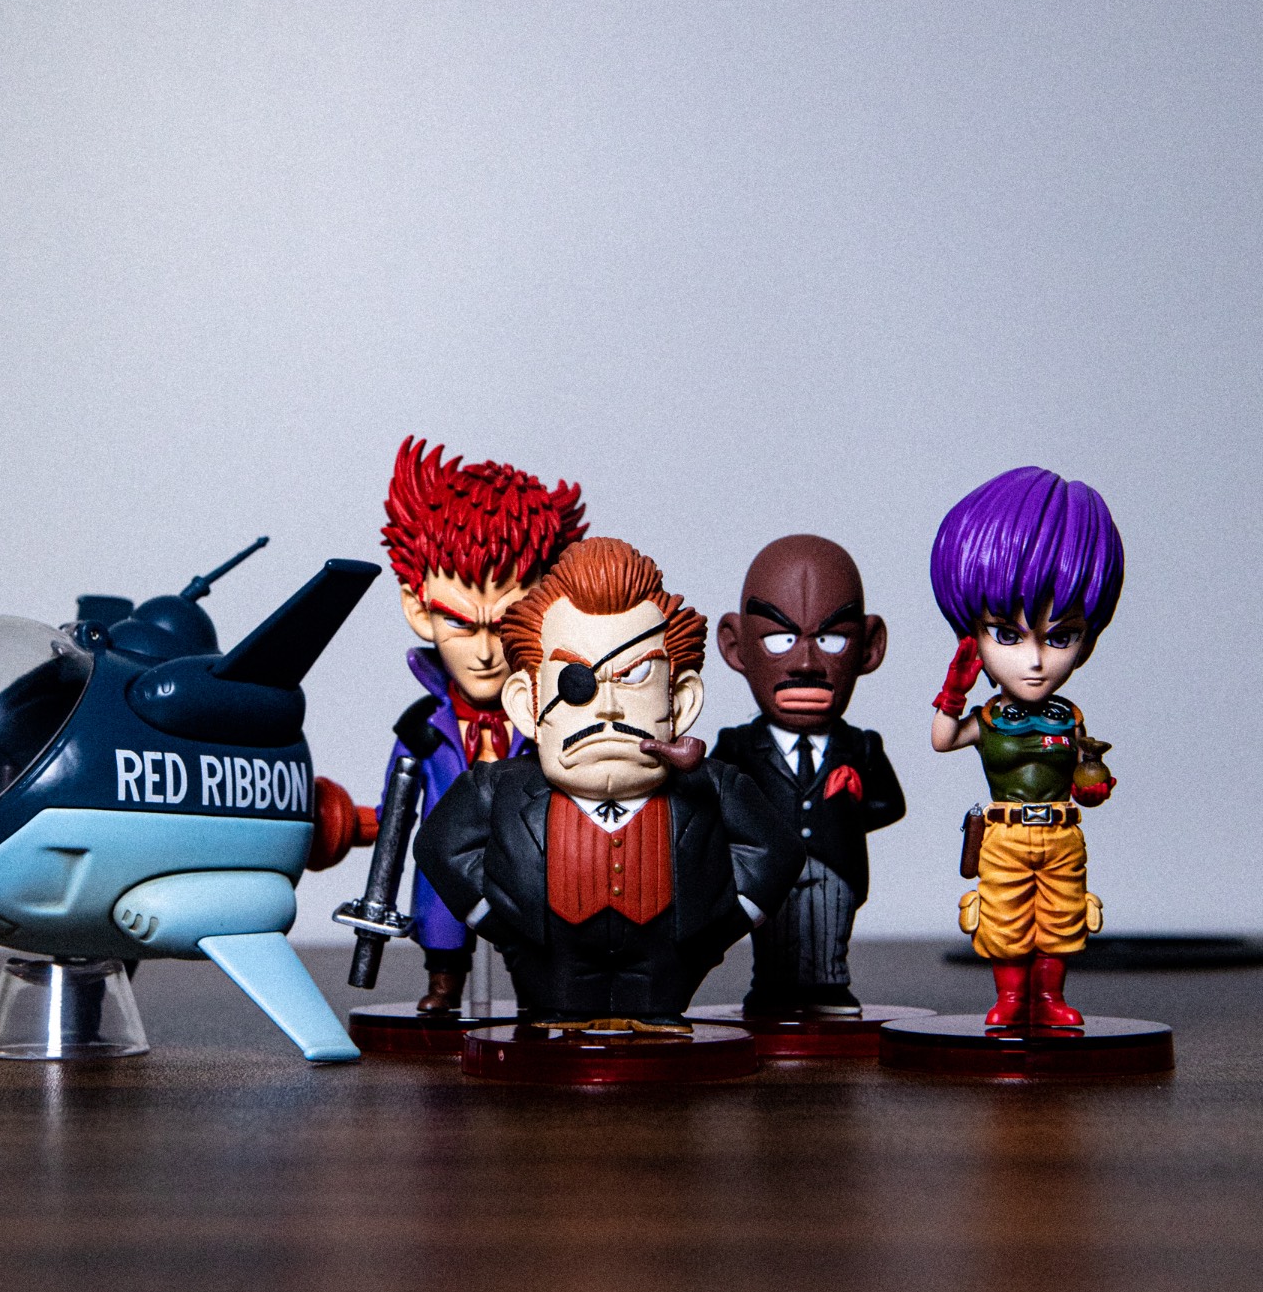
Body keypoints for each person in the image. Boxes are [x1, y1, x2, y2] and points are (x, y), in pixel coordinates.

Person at [414, 537, 803, 1025]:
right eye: (577, 683)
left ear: (680, 702)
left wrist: (722, 925)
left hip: (668, 972)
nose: (610, 707)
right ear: (525, 705)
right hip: (549, 969)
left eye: (636, 677)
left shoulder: (714, 787)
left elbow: (776, 852)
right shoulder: (497, 788)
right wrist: (497, 921)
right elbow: (439, 845)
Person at [310, 437, 586, 1013]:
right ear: (418, 609)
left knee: (539, 931)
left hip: (534, 860)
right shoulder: (423, 728)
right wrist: (348, 824)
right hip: (444, 860)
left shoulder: (555, 721)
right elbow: (396, 810)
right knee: (441, 916)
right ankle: (444, 985)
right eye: (462, 625)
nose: (484, 653)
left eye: (505, 625)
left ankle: (540, 996)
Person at [929, 466, 1123, 1029]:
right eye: (1008, 635)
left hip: (1061, 833)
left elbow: (1088, 775)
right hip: (1006, 834)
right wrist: (953, 692)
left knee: (1063, 917)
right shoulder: (989, 717)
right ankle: (1012, 1000)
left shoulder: (1069, 716)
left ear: (1086, 639)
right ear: (973, 633)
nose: (1035, 661)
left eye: (1060, 637)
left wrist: (1093, 779)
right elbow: (943, 740)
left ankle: (1050, 1000)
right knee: (1004, 918)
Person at [713, 535, 905, 1017]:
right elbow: (711, 806)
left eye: (831, 640)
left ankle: (828, 989)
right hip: (766, 873)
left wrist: (848, 805)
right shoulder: (737, 748)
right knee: (773, 936)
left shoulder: (860, 747)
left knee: (828, 935)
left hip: (835, 869)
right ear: (736, 647)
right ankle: (772, 989)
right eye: (780, 640)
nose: (805, 664)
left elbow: (889, 805)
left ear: (869, 648)